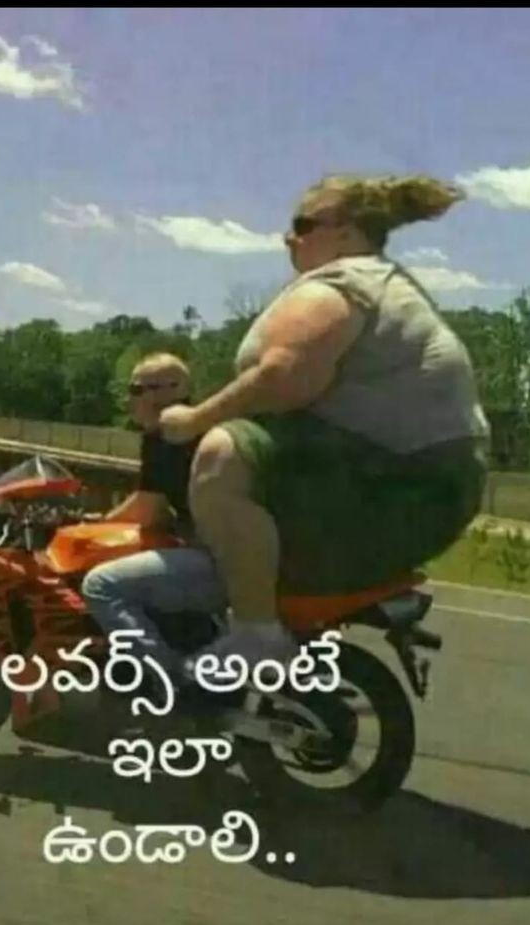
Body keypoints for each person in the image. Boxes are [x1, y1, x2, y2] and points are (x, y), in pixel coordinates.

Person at [157, 173, 490, 671]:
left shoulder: (345, 281)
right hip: (411, 484)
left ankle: (256, 633)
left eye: (302, 224)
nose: (288, 238)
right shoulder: (377, 281)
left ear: (347, 232)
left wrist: (193, 420)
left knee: (224, 452)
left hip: (400, 482)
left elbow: (286, 377)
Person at [80, 352, 226, 672]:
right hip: (252, 560)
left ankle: (168, 679)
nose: (130, 400)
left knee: (101, 585)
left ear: (165, 391)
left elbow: (147, 509)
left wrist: (94, 524)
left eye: (135, 390)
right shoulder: (206, 429)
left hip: (225, 567)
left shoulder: (167, 435)